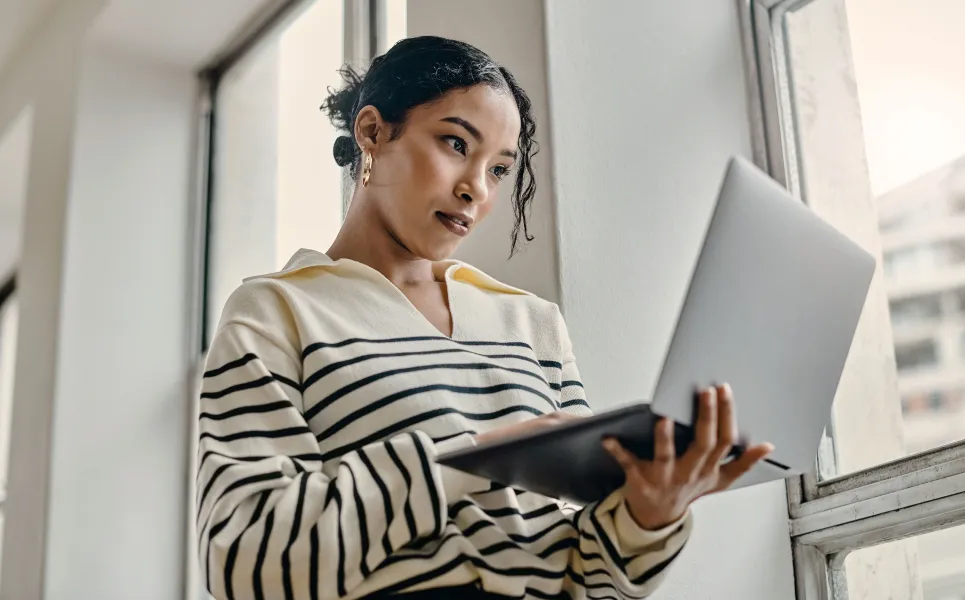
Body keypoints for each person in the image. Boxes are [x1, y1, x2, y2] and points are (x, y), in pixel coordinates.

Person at [196, 35, 774, 600]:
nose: (476, 189)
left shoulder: (531, 325)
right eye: (455, 144)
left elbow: (590, 575)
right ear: (372, 132)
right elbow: (245, 557)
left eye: (499, 169)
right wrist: (474, 458)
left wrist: (649, 518)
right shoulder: (276, 313)